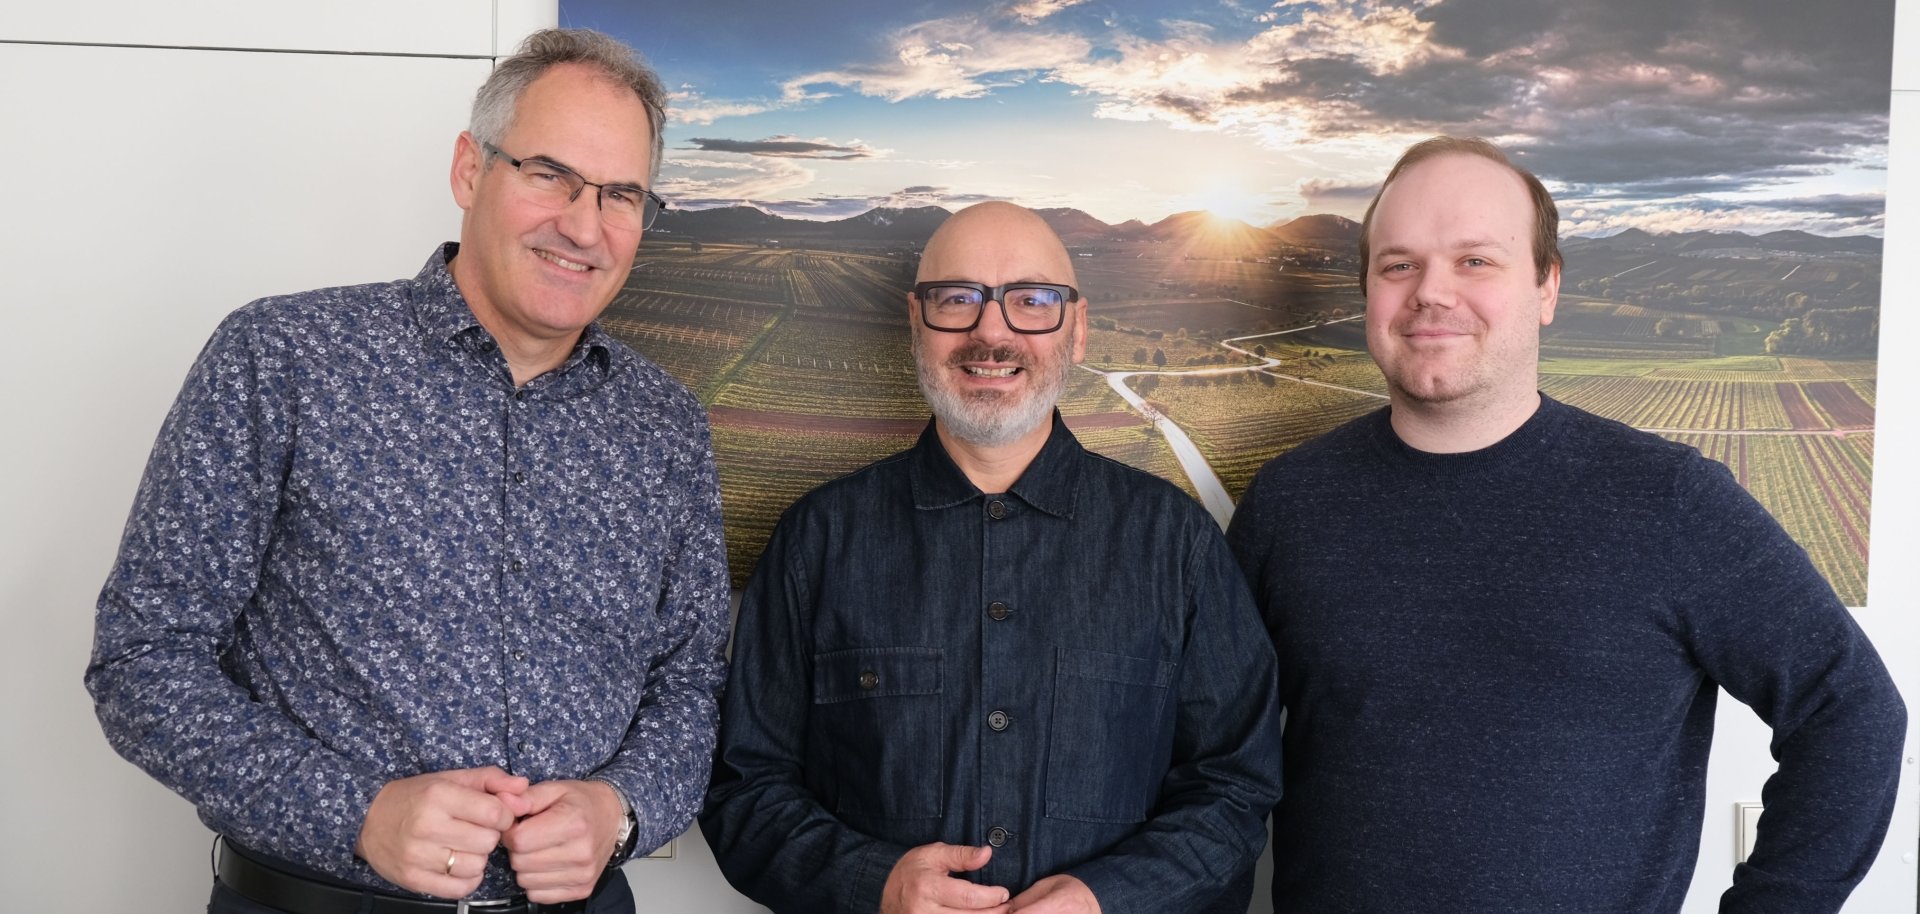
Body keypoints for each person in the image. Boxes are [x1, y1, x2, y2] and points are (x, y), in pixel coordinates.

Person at [85, 29, 730, 914]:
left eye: (620, 194)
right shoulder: (284, 358)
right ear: (470, 169)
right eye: (549, 174)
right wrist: (354, 813)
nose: (584, 226)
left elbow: (690, 686)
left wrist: (621, 810)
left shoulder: (667, 428)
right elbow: (142, 658)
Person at [1227, 136, 1907, 913]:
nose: (1431, 292)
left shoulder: (1670, 501)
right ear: (1368, 292)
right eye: (1398, 264)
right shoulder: (1289, 503)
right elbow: (1211, 759)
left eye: (1475, 260)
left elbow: (1850, 711)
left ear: (1546, 286)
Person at [699, 202, 1283, 914]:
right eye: (957, 298)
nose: (992, 332)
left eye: (1032, 301)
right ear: (916, 322)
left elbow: (1234, 788)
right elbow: (744, 789)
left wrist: (1106, 899)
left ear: (1077, 328)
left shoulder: (1177, 543)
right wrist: (875, 883)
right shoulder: (816, 540)